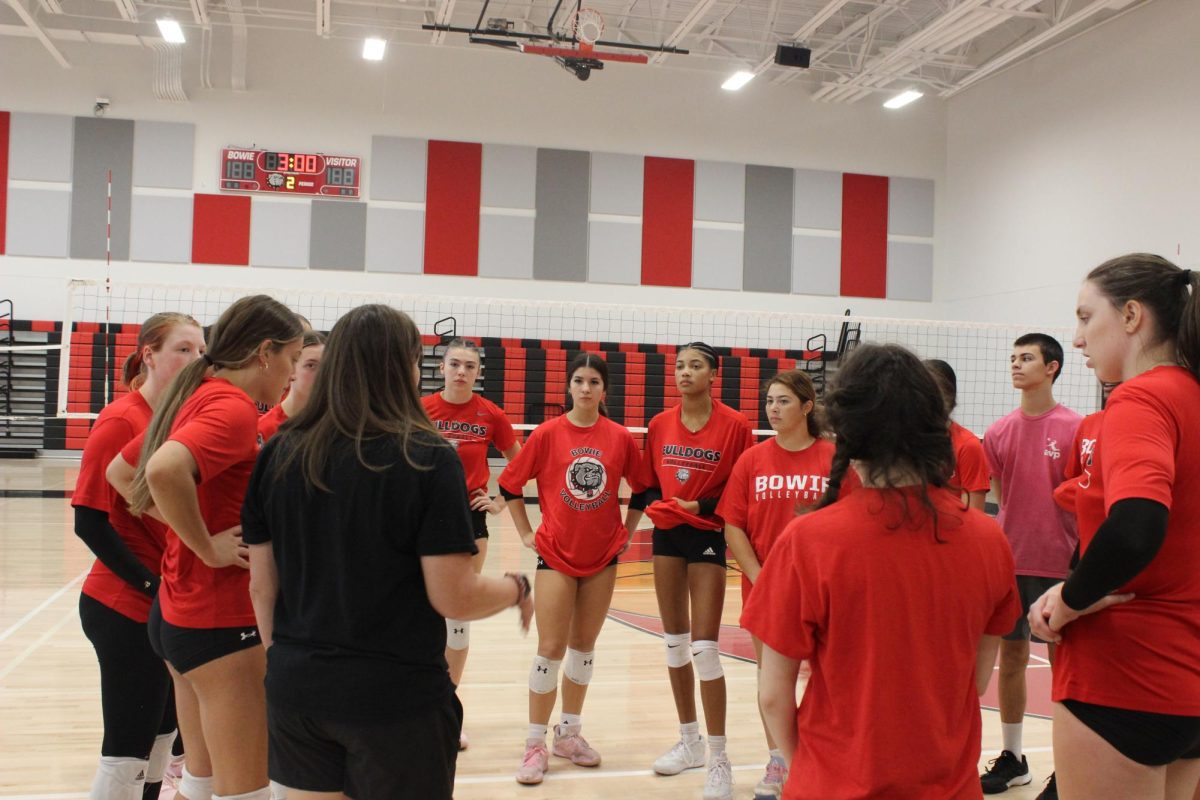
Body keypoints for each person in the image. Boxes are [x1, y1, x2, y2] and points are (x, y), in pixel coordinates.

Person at [242, 304, 533, 800]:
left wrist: (290, 666)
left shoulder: (278, 450)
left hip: (298, 690)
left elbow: (261, 585)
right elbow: (454, 596)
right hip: (396, 700)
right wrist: (516, 588)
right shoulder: (426, 455)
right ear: (405, 366)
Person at [743, 343, 1021, 800]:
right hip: (949, 785)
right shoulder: (989, 541)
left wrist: (808, 772)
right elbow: (975, 680)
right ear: (936, 424)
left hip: (832, 786)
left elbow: (773, 695)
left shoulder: (808, 540)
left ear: (845, 428)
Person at [107, 295, 304, 800]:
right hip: (220, 619)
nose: (290, 373)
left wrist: (185, 535)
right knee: (246, 790)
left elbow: (122, 473)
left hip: (182, 613)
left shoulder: (197, 393)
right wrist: (207, 546)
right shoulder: (231, 407)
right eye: (291, 358)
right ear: (265, 352)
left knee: (201, 778)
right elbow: (160, 470)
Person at [1029, 254, 1200, 800]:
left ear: (1131, 316)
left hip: (1126, 673)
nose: (1076, 339)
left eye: (1085, 318)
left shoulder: (1142, 398)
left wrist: (1072, 599)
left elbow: (1136, 525)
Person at [497, 352, 645, 786]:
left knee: (584, 647)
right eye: (578, 380)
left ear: (604, 390)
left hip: (603, 557)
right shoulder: (547, 434)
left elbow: (644, 487)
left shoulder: (619, 437)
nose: (585, 388)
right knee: (551, 647)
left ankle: (570, 734)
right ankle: (535, 743)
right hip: (557, 556)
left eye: (593, 382)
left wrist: (628, 530)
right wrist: (527, 533)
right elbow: (509, 484)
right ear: (569, 386)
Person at [73, 312, 204, 800]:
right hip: (122, 604)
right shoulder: (122, 420)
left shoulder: (176, 417)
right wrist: (151, 587)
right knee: (126, 750)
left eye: (199, 351)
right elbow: (88, 523)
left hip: (163, 603)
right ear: (148, 354)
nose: (194, 360)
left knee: (162, 741)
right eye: (182, 349)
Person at [719, 369, 858, 800]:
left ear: (807, 407)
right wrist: (764, 581)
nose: (773, 409)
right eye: (770, 401)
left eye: (783, 401)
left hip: (825, 591)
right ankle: (781, 761)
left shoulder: (834, 458)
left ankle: (830, 760)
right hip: (766, 591)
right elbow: (733, 528)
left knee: (830, 677)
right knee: (773, 682)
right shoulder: (752, 459)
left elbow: (855, 522)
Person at [638, 341, 755, 800]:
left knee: (705, 648)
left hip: (708, 530)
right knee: (675, 645)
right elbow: (648, 483)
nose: (685, 372)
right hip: (668, 533)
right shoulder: (659, 423)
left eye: (695, 366)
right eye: (680, 366)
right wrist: (656, 507)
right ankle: (690, 743)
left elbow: (739, 485)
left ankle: (719, 759)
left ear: (713, 373)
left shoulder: (736, 425)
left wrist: (700, 504)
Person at [980, 333, 1081, 794]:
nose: (1016, 365)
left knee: (1067, 668)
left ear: (1053, 367)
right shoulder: (999, 431)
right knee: (1013, 658)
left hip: (1062, 565)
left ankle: (1069, 767)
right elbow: (998, 498)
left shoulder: (1077, 428)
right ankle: (1014, 758)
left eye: (1027, 358)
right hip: (1011, 562)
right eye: (1013, 358)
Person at [421, 337, 521, 749]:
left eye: (469, 366)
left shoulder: (489, 413)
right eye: (455, 364)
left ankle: (447, 705)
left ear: (478, 373)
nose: (462, 371)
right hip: (424, 519)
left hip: (469, 517)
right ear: (441, 368)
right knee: (421, 612)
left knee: (456, 611)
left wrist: (499, 500)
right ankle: (419, 704)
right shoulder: (421, 410)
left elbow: (522, 460)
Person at [925, 359, 990, 511]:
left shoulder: (968, 446)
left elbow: (973, 515)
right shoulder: (904, 442)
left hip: (949, 531)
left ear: (949, 395)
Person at [257, 330, 325, 444]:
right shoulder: (266, 429)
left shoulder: (336, 424)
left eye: (326, 366)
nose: (321, 374)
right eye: (311, 365)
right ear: (292, 369)